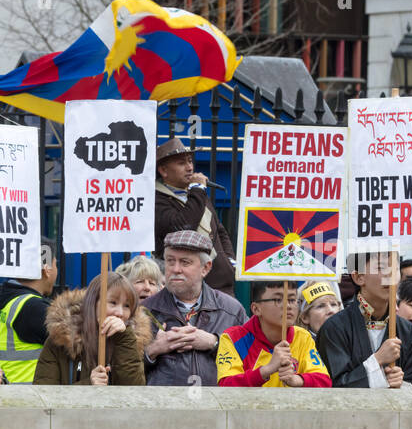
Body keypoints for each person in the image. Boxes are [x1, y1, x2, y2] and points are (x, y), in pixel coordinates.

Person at [140, 230, 247, 386]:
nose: (176, 269)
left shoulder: (231, 310)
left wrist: (215, 343)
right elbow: (120, 369)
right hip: (164, 407)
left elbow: (252, 359)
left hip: (216, 407)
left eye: (185, 262)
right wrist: (153, 350)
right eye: (170, 261)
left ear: (206, 268)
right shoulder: (144, 311)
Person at [317, 251, 412, 388]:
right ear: (358, 277)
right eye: (381, 268)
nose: (390, 276)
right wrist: (378, 360)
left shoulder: (409, 332)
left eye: (395, 268)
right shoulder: (334, 328)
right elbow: (335, 387)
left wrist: (400, 384)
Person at [154, 137, 236, 296]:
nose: (189, 167)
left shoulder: (196, 194)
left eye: (190, 161)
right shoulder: (158, 199)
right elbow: (182, 226)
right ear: (163, 171)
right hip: (189, 290)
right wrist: (197, 190)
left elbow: (219, 230)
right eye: (181, 163)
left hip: (221, 285)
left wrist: (229, 260)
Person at [33, 271, 147, 386]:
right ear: (93, 303)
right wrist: (88, 385)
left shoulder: (131, 341)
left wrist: (124, 338)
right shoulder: (60, 340)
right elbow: (44, 396)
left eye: (127, 306)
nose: (120, 313)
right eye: (113, 302)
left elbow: (135, 391)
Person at [216, 282, 331, 388]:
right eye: (278, 299)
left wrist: (297, 380)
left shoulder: (302, 337)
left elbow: (325, 381)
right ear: (256, 309)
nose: (288, 306)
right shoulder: (232, 338)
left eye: (292, 299)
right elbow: (226, 385)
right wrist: (266, 370)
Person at [0, 239, 58, 383]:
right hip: (31, 396)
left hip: (15, 391)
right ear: (47, 269)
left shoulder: (12, 299)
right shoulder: (34, 307)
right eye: (55, 264)